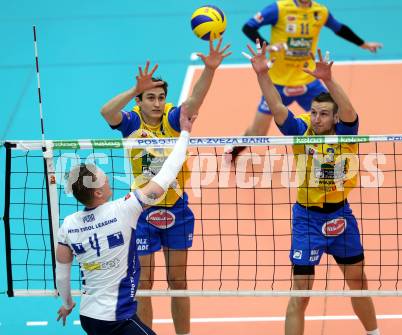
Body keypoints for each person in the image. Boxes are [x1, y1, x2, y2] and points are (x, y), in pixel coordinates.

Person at [245, 40, 380, 335]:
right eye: (313, 112)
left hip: (341, 218)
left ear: (334, 118)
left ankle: (374, 333)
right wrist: (261, 74)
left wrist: (329, 80)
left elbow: (349, 110)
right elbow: (278, 107)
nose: (315, 118)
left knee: (358, 282)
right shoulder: (300, 131)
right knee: (301, 292)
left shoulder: (346, 133)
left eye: (322, 114)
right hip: (307, 220)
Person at [99, 38, 231, 335]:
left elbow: (194, 103)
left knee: (178, 283)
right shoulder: (131, 123)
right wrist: (134, 88)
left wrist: (209, 70)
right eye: (150, 98)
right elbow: (106, 112)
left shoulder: (172, 120)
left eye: (161, 97)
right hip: (142, 213)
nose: (157, 103)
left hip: (176, 211)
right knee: (144, 284)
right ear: (140, 101)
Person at [55, 106, 196, 335]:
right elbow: (168, 173)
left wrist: (67, 302)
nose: (108, 178)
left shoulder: (68, 224)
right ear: (98, 193)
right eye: (103, 179)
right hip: (117, 319)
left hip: (88, 317)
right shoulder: (125, 209)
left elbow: (61, 271)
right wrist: (186, 134)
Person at [231, 0, 382, 157]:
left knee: (334, 120)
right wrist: (267, 46)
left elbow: (339, 28)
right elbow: (248, 27)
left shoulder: (320, 11)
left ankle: (331, 160)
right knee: (257, 133)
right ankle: (234, 149)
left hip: (309, 81)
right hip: (278, 83)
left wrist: (363, 44)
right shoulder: (279, 8)